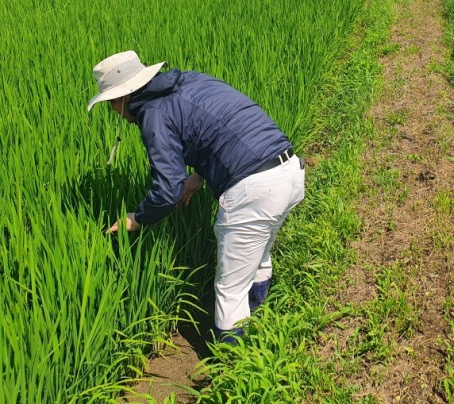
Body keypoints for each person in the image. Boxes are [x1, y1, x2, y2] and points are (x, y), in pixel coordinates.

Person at [88, 50, 305, 342]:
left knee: (229, 292)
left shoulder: (153, 114)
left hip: (254, 190)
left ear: (122, 97)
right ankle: (262, 320)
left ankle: (235, 369)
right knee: (257, 254)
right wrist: (197, 178)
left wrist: (137, 218)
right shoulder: (191, 81)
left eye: (110, 103)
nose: (113, 111)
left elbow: (167, 191)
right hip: (289, 170)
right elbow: (220, 129)